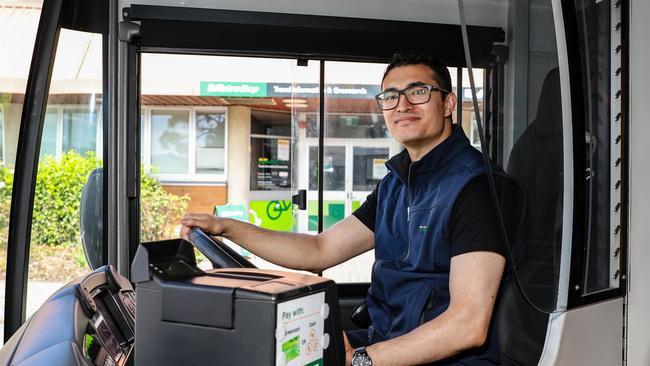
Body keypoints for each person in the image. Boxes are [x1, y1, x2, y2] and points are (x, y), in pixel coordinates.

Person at [181, 52, 521, 365]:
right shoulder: (396, 185)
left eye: (418, 92)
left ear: (447, 103)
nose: (402, 105)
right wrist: (228, 228)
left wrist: (360, 359)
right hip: (387, 340)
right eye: (391, 96)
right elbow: (319, 250)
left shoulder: (478, 188)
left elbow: (467, 324)